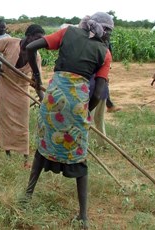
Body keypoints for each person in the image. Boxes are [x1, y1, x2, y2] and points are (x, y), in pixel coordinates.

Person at [23, 12, 114, 228]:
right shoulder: (105, 53)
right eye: (109, 31)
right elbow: (99, 90)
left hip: (53, 98)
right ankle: (83, 216)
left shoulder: (67, 32)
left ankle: (26, 196)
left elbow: (30, 47)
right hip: (77, 104)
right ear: (103, 29)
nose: (110, 35)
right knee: (79, 154)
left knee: (43, 146)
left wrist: (36, 77)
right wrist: (85, 111)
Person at [0, 24, 45, 168]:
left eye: (40, 40)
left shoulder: (36, 57)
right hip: (6, 86)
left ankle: (25, 158)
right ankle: (8, 153)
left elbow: (37, 83)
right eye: (36, 39)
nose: (38, 43)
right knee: (6, 121)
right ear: (28, 36)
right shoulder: (10, 42)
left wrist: (44, 100)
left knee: (22, 123)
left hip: (21, 90)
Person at [89, 77, 109, 148]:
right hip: (103, 90)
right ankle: (103, 144)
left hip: (90, 93)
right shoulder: (102, 65)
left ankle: (84, 146)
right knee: (100, 120)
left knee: (87, 121)